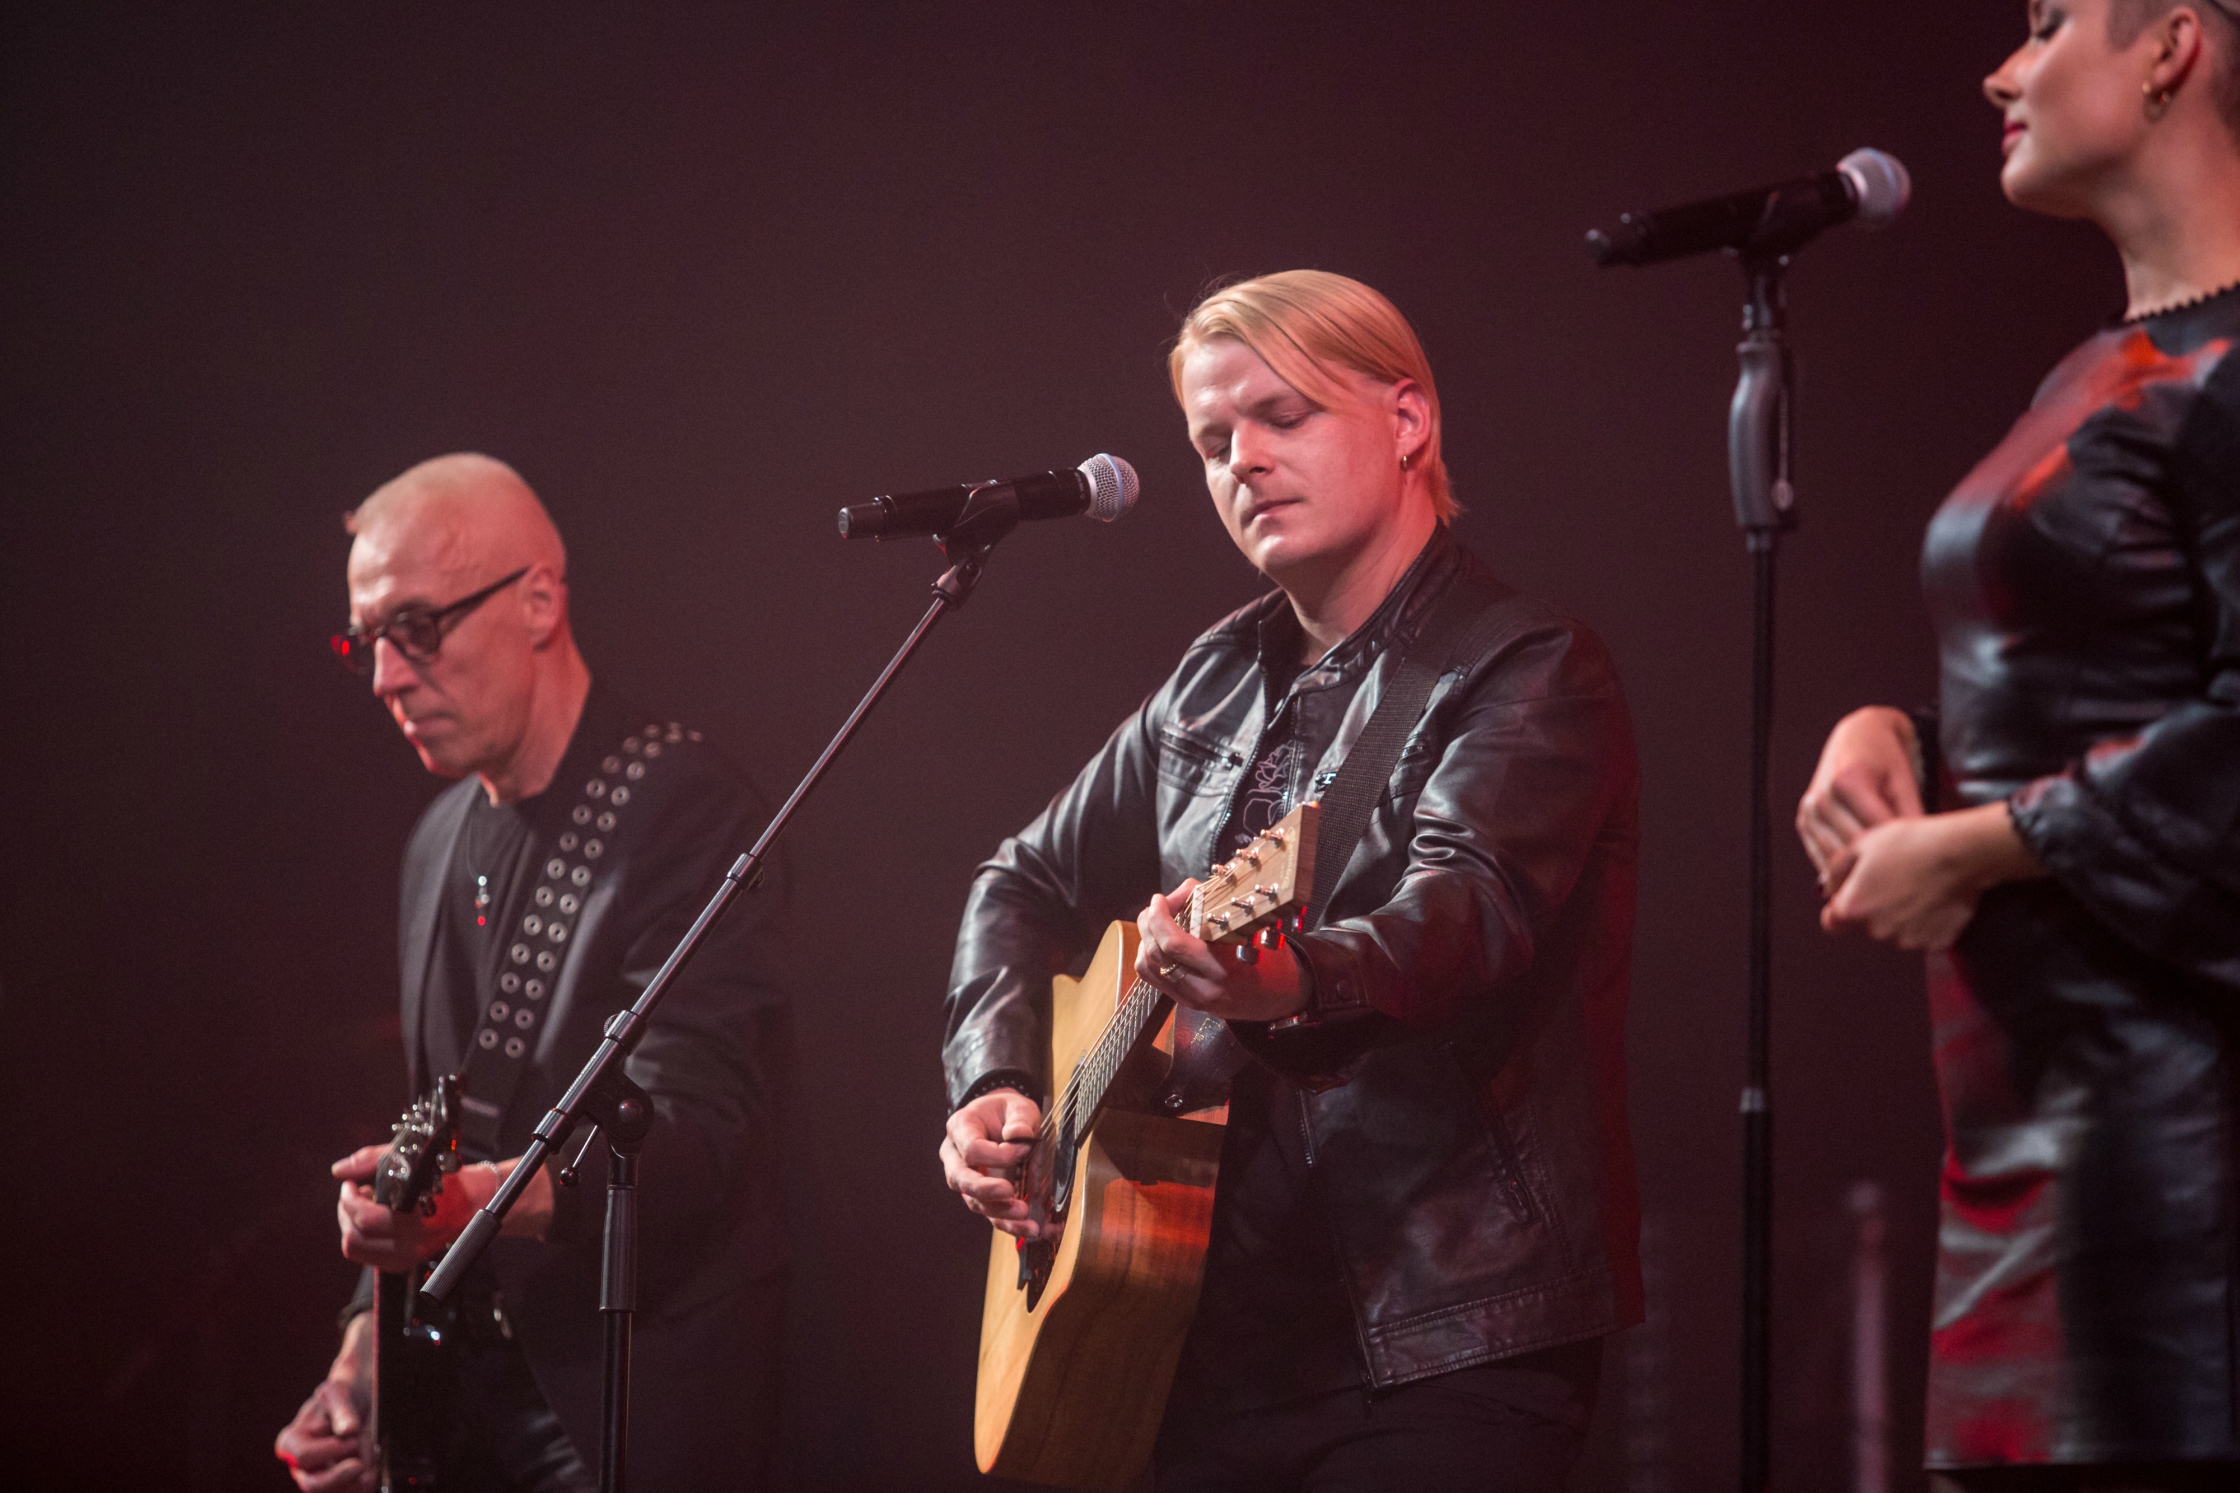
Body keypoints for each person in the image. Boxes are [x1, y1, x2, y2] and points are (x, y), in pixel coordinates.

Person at [938, 271, 1642, 1490]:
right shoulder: (1210, 679)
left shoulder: (1526, 665)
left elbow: (1466, 913)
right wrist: (996, 1078)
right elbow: (1020, 878)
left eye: (1283, 415)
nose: (1243, 461)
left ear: (1407, 420)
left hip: (1440, 1338)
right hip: (1197, 1337)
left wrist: (1292, 978)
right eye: (1212, 440)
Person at [1796, 3, 2240, 1488]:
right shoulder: (2091, 370)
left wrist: (1980, 845)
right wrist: (1896, 733)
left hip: (2177, 1162)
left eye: (2048, 24)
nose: (2000, 67)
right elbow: (2096, 693)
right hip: (2018, 1152)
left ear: (2172, 44)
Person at [273, 454, 788, 1492]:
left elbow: (696, 1132)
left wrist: (469, 1202)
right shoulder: (434, 841)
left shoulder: (684, 805)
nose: (386, 677)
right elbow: (439, 1122)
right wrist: (363, 1356)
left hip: (621, 1401)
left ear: (539, 600)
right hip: (462, 1406)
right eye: (368, 641)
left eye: (417, 627)